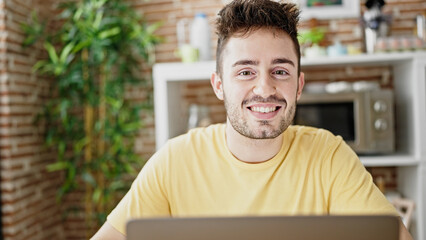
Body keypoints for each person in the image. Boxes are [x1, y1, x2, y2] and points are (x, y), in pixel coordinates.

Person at [91, 0, 412, 239]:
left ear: (298, 85)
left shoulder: (330, 156)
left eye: (280, 71)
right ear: (219, 85)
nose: (265, 88)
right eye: (246, 71)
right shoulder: (174, 161)